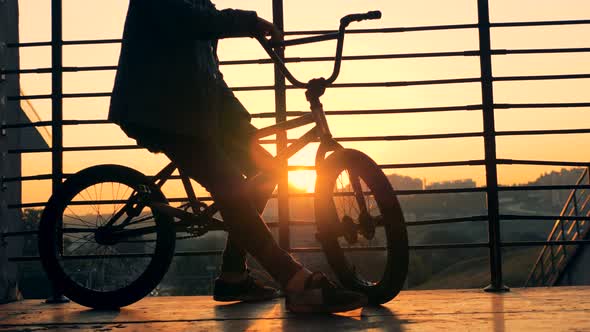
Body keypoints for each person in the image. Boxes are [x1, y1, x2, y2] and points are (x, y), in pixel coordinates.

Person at [109, 0, 367, 313]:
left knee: (270, 169)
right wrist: (250, 22)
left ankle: (233, 274)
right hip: (159, 110)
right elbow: (193, 21)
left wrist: (237, 121)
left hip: (197, 106)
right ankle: (295, 281)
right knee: (229, 185)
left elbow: (206, 68)